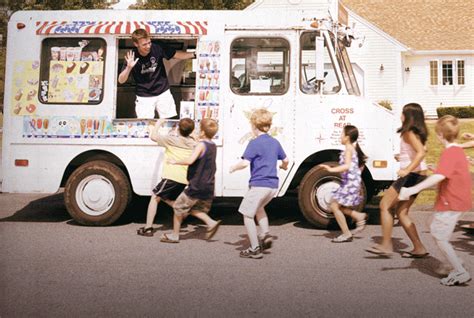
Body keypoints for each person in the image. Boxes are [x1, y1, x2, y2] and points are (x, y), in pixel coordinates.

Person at [399, 115, 472, 286]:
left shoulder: (450, 153)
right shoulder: (457, 150)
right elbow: (448, 172)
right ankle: (451, 262)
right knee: (434, 227)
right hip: (458, 201)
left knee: (439, 236)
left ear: (439, 134)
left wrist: (412, 189)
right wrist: (436, 168)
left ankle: (459, 270)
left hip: (452, 202)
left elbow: (440, 176)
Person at [366, 103, 429, 257]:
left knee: (384, 205)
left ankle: (386, 245)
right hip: (419, 176)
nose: (400, 115)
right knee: (401, 213)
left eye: (403, 112)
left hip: (411, 176)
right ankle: (419, 248)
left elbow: (421, 153)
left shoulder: (408, 132)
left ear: (409, 116)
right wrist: (402, 158)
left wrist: (407, 169)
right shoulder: (416, 133)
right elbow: (421, 150)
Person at [229, 109, 289, 259]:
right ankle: (265, 234)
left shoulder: (254, 143)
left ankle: (254, 247)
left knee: (246, 214)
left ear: (254, 126)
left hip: (259, 184)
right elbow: (286, 160)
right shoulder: (275, 142)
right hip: (273, 186)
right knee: (259, 208)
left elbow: (245, 163)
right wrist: (283, 167)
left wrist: (233, 167)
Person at [160, 118, 221, 243]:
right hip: (208, 184)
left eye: (199, 129)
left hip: (196, 185)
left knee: (178, 207)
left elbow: (190, 161)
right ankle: (211, 222)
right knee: (194, 209)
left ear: (203, 132)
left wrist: (174, 161)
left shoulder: (201, 145)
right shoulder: (212, 145)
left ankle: (175, 235)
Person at [137, 118, 197, 236]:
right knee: (165, 198)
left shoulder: (171, 140)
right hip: (184, 179)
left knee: (155, 197)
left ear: (178, 129)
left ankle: (148, 228)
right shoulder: (193, 143)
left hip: (171, 176)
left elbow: (153, 136)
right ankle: (184, 210)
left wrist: (158, 123)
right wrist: (193, 135)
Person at [118, 28, 195, 119]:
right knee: (145, 124)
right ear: (136, 44)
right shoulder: (132, 55)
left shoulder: (157, 47)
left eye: (149, 42)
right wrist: (129, 67)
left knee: (169, 120)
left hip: (163, 91)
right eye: (144, 44)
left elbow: (175, 55)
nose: (148, 46)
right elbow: (121, 80)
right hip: (144, 95)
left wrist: (194, 54)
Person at [320, 125, 368, 243]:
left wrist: (330, 170)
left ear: (347, 137)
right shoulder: (352, 148)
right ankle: (358, 216)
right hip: (351, 182)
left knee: (334, 205)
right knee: (338, 206)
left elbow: (346, 165)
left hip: (350, 183)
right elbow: (358, 165)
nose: (340, 136)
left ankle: (346, 234)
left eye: (342, 134)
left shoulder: (348, 149)